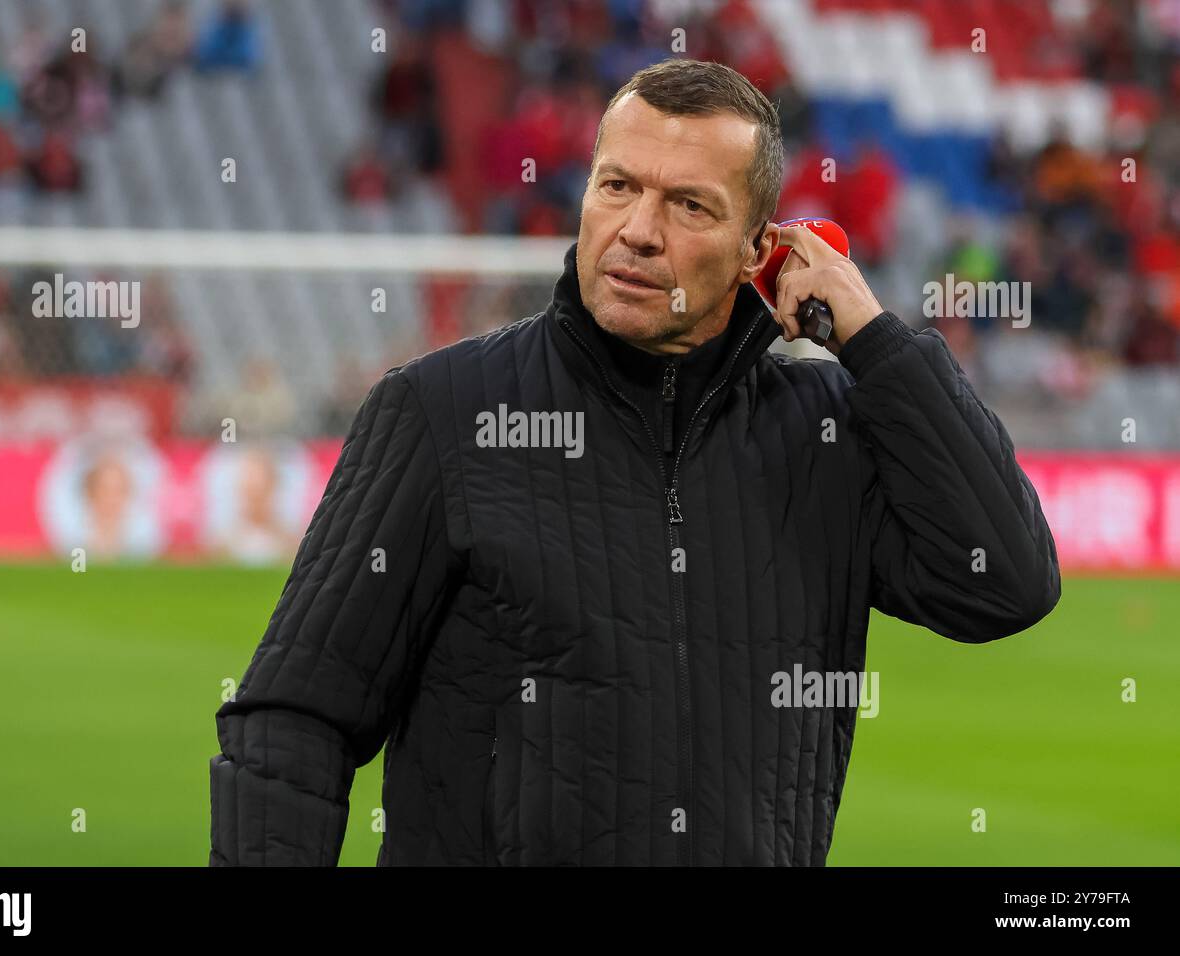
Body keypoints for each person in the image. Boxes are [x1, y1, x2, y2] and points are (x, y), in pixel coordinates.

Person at [209, 58, 1061, 866]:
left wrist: (876, 341)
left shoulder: (828, 435)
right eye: (618, 186)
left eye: (690, 206)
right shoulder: (442, 410)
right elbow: (294, 719)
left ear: (760, 251)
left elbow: (1005, 583)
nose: (638, 232)